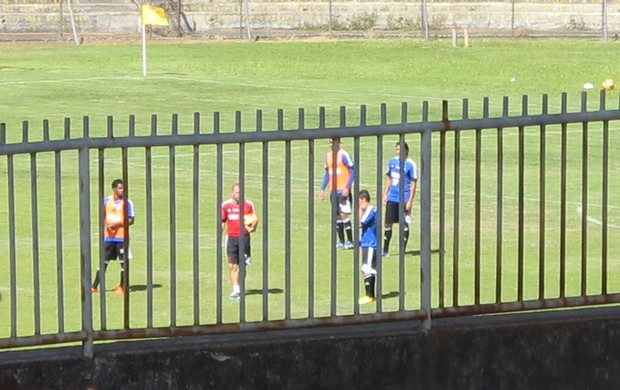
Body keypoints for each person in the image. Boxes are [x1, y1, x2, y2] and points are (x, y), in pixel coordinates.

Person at [91, 179, 135, 294]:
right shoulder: (106, 201)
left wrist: (117, 224)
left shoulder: (127, 203)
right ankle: (94, 286)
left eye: (123, 188)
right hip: (109, 237)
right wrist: (106, 224)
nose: (122, 191)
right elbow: (103, 216)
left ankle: (122, 286)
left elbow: (131, 220)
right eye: (120, 188)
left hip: (122, 237)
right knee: (103, 261)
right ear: (114, 189)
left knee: (123, 262)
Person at [221, 183, 258, 300]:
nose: (239, 195)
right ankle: (236, 289)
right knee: (232, 265)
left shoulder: (248, 205)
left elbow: (254, 219)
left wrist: (253, 228)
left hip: (244, 239)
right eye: (237, 193)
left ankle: (240, 287)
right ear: (232, 193)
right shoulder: (226, 205)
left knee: (243, 266)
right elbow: (222, 221)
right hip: (231, 239)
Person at [318, 137, 356, 250]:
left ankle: (350, 241)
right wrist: (322, 188)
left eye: (333, 142)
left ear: (339, 142)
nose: (331, 144)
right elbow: (327, 174)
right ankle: (341, 241)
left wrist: (347, 187)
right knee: (337, 216)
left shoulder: (344, 154)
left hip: (343, 190)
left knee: (344, 214)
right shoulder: (328, 156)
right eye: (330, 142)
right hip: (333, 190)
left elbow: (353, 170)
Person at [382, 141, 418, 257]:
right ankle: (385, 250)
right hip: (392, 198)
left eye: (401, 149)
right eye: (397, 149)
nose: (399, 152)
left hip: (404, 199)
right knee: (387, 223)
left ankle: (402, 250)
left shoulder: (411, 164)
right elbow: (389, 179)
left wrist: (410, 201)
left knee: (404, 223)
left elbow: (413, 183)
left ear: (406, 150)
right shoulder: (392, 161)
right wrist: (385, 194)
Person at [358, 189, 378, 304]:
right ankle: (371, 295)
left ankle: (369, 295)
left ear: (364, 199)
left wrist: (360, 209)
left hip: (370, 244)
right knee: (368, 268)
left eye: (359, 201)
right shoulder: (370, 210)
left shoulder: (371, 210)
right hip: (366, 243)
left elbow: (360, 224)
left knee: (367, 268)